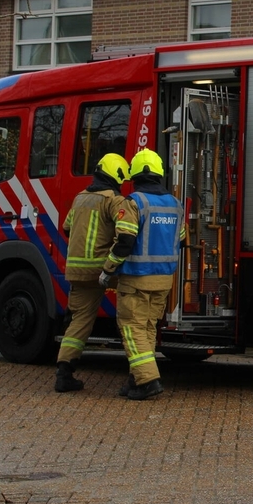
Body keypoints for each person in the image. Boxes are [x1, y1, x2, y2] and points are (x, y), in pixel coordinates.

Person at [102, 148, 184, 401]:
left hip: (136, 277)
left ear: (135, 174)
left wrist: (108, 268)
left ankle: (148, 380)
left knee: (131, 328)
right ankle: (135, 380)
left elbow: (125, 241)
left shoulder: (134, 202)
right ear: (159, 173)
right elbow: (179, 240)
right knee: (147, 329)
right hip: (164, 279)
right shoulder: (175, 203)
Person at [54, 153, 131, 393]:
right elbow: (125, 235)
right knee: (133, 317)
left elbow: (67, 227)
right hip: (104, 269)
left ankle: (64, 374)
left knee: (79, 322)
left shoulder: (80, 198)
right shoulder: (114, 200)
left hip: (76, 271)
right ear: (117, 176)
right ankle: (138, 375)